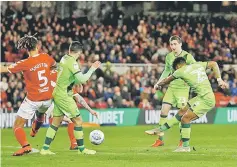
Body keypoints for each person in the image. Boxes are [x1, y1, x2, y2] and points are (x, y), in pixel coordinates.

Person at [145, 57, 228, 152]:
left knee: (185, 119)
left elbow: (166, 80)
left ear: (177, 66)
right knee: (182, 111)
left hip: (205, 99)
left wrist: (157, 85)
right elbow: (213, 63)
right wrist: (219, 80)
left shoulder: (180, 71)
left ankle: (185, 147)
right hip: (202, 97)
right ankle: (160, 129)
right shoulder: (197, 64)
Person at [40, 41, 100, 155]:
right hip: (64, 95)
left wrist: (75, 82)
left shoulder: (64, 58)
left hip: (58, 92)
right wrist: (92, 68)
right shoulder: (73, 62)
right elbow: (83, 78)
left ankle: (45, 149)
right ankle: (81, 149)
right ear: (80, 52)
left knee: (56, 122)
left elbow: (68, 76)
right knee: (78, 120)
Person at [0, 34, 57, 156]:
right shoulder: (46, 57)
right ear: (37, 46)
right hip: (48, 98)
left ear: (26, 48)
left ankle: (26, 146)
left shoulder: (25, 62)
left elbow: (4, 69)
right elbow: (55, 67)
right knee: (40, 114)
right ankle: (34, 130)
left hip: (33, 100)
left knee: (17, 125)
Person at [147, 35, 196, 147]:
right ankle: (160, 139)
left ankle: (183, 140)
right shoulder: (169, 56)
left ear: (180, 44)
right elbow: (166, 71)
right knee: (163, 111)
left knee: (183, 115)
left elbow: (195, 69)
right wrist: (159, 82)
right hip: (172, 87)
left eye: (175, 44)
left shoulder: (188, 57)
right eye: (171, 44)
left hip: (183, 89)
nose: (173, 46)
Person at [45, 71, 98, 150]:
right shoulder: (63, 84)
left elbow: (80, 99)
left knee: (70, 121)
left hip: (55, 104)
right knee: (58, 125)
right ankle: (38, 128)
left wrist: (90, 110)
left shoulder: (68, 85)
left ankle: (73, 144)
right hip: (49, 104)